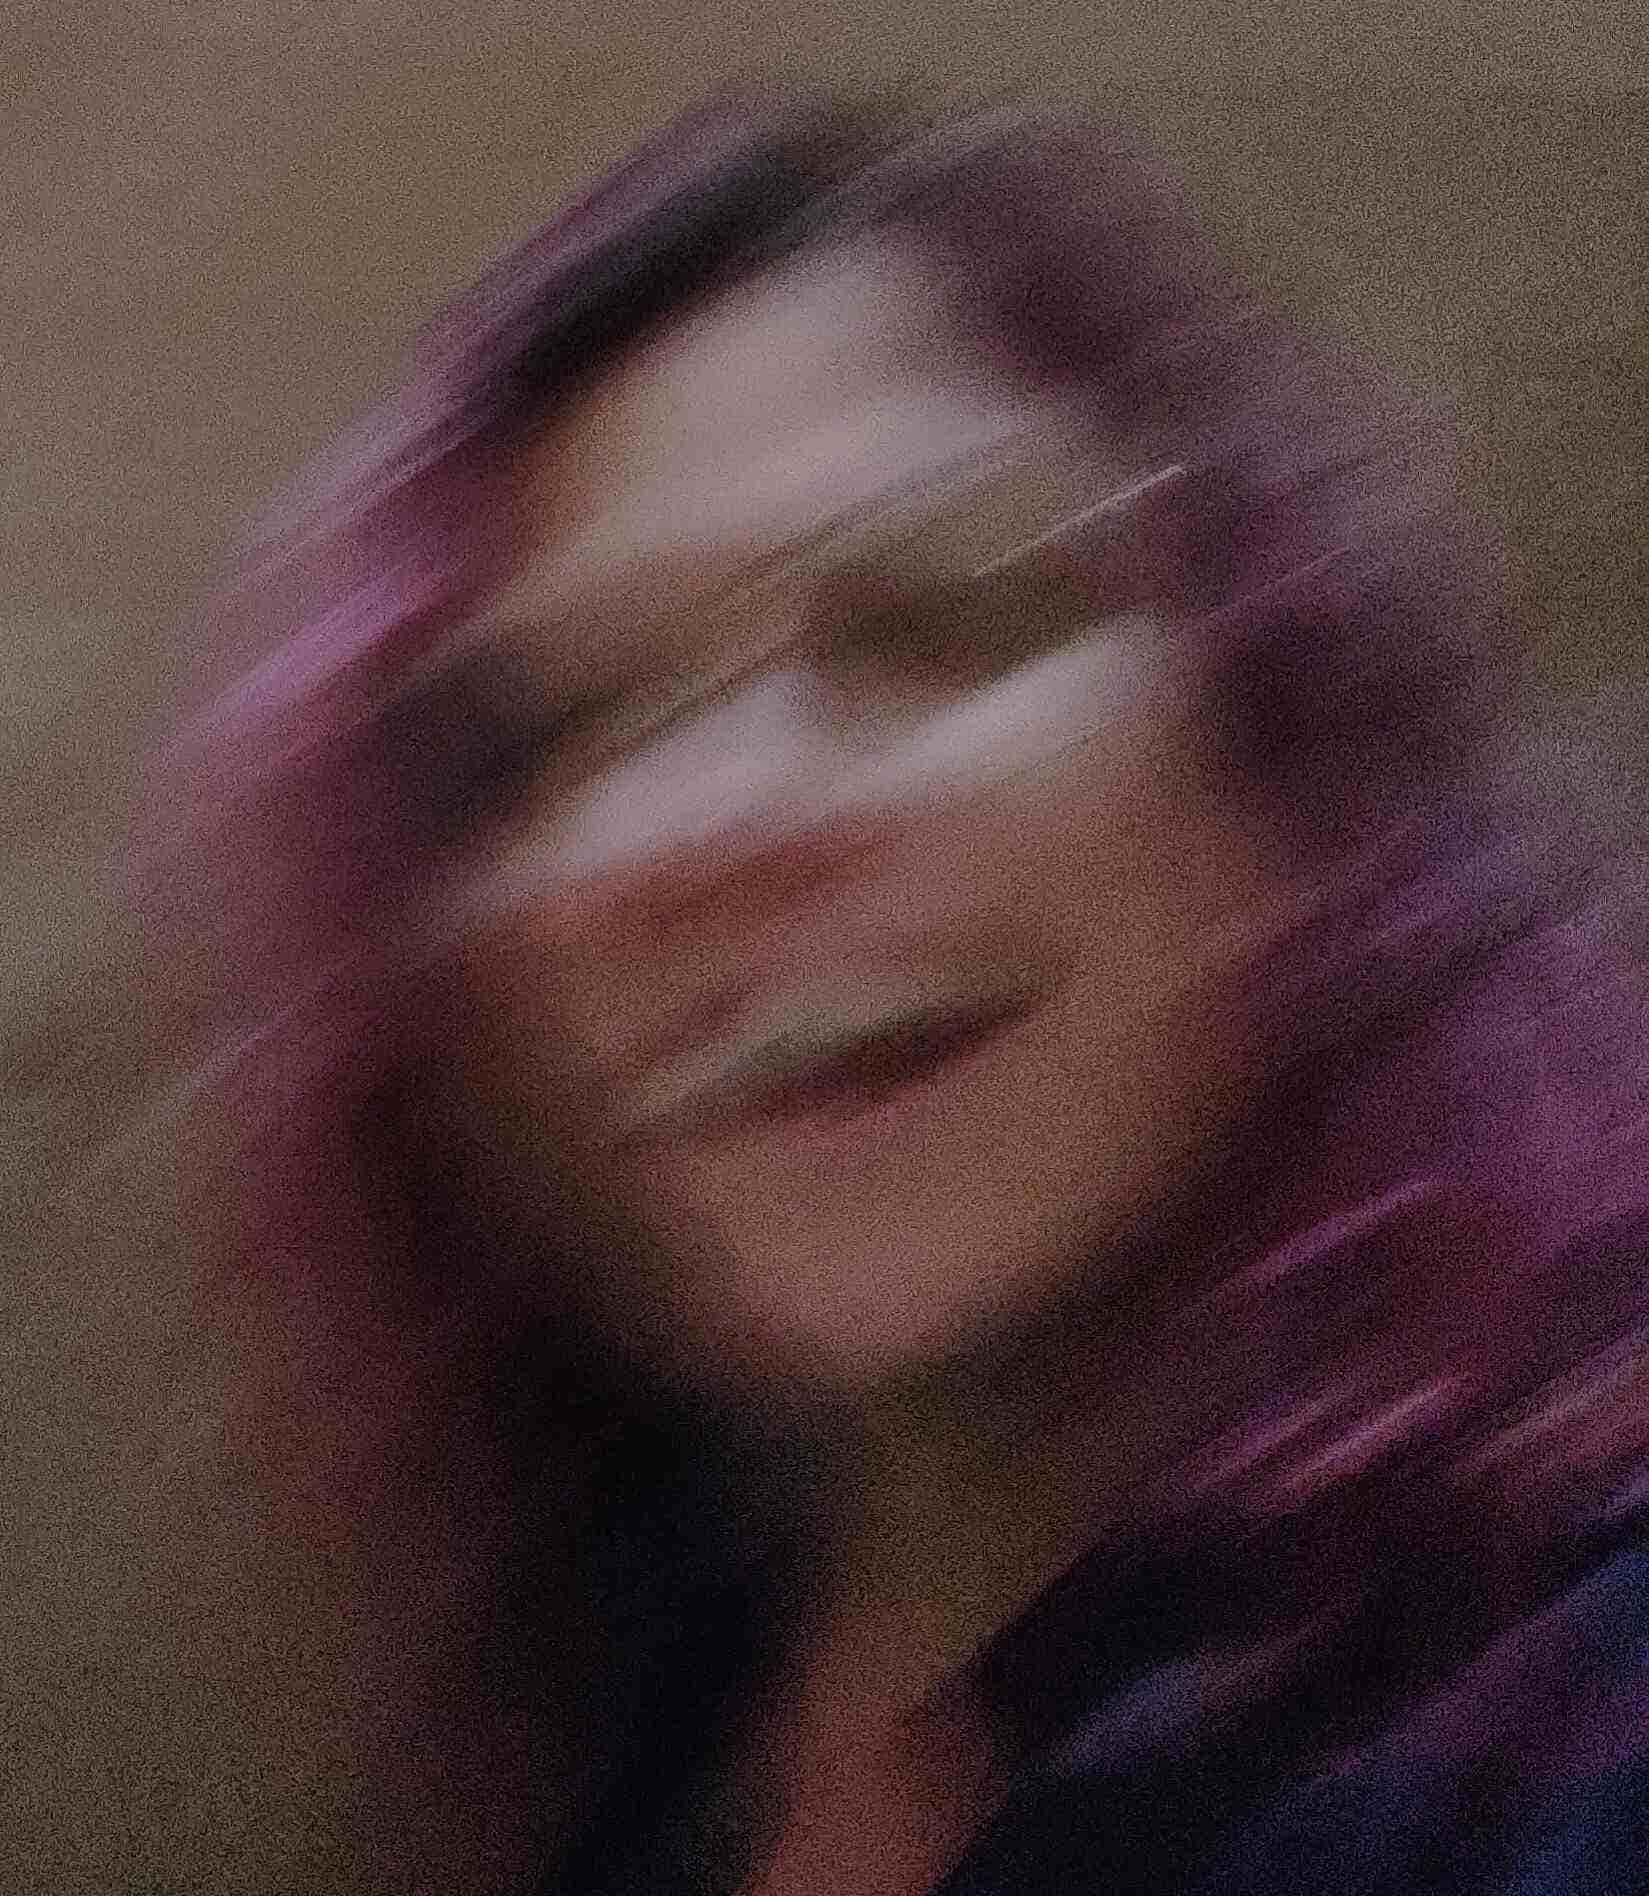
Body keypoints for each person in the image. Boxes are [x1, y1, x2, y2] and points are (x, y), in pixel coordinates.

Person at [148, 88, 1649, 1895]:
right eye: (534, 738)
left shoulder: (1581, 1728)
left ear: (1282, 769)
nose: (696, 830)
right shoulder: (653, 1663)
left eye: (935, 619)